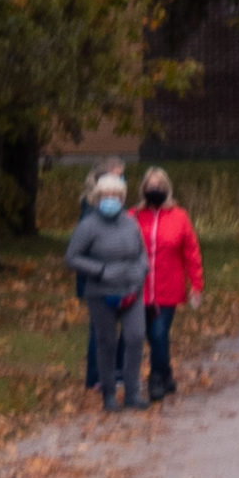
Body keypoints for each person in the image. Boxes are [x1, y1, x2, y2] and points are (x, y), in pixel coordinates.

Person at [63, 169, 145, 412]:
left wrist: (141, 271)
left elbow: (141, 254)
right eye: (107, 194)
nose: (112, 198)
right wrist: (100, 270)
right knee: (106, 342)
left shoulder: (131, 224)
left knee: (135, 337)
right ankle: (109, 394)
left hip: (132, 289)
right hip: (101, 293)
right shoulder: (88, 226)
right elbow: (72, 258)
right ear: (98, 197)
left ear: (122, 198)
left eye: (116, 194)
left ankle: (132, 392)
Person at [134, 167, 204, 404]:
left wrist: (196, 284)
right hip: (140, 288)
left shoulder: (179, 216)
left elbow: (191, 252)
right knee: (151, 337)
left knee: (159, 332)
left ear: (167, 189)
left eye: (159, 186)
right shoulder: (133, 216)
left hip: (168, 288)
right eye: (151, 186)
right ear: (144, 189)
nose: (155, 189)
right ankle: (167, 373)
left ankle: (156, 379)